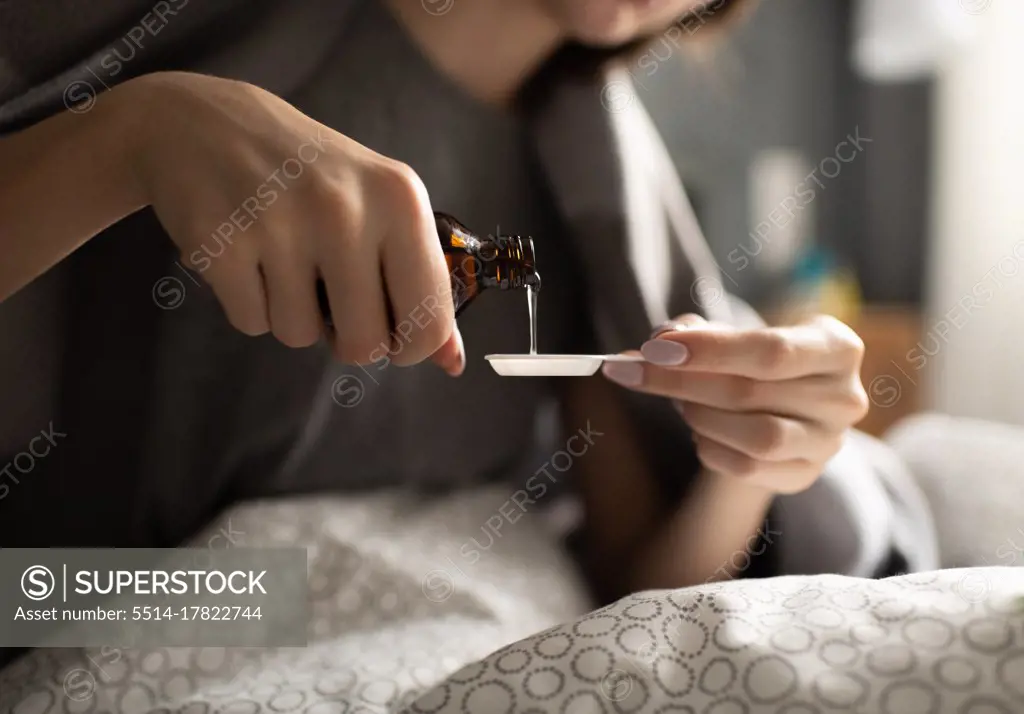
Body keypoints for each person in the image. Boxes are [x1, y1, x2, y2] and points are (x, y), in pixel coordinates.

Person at [0, 0, 937, 617]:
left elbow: (634, 599)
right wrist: (132, 135)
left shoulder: (599, 207)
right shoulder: (159, 32)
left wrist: (765, 452)